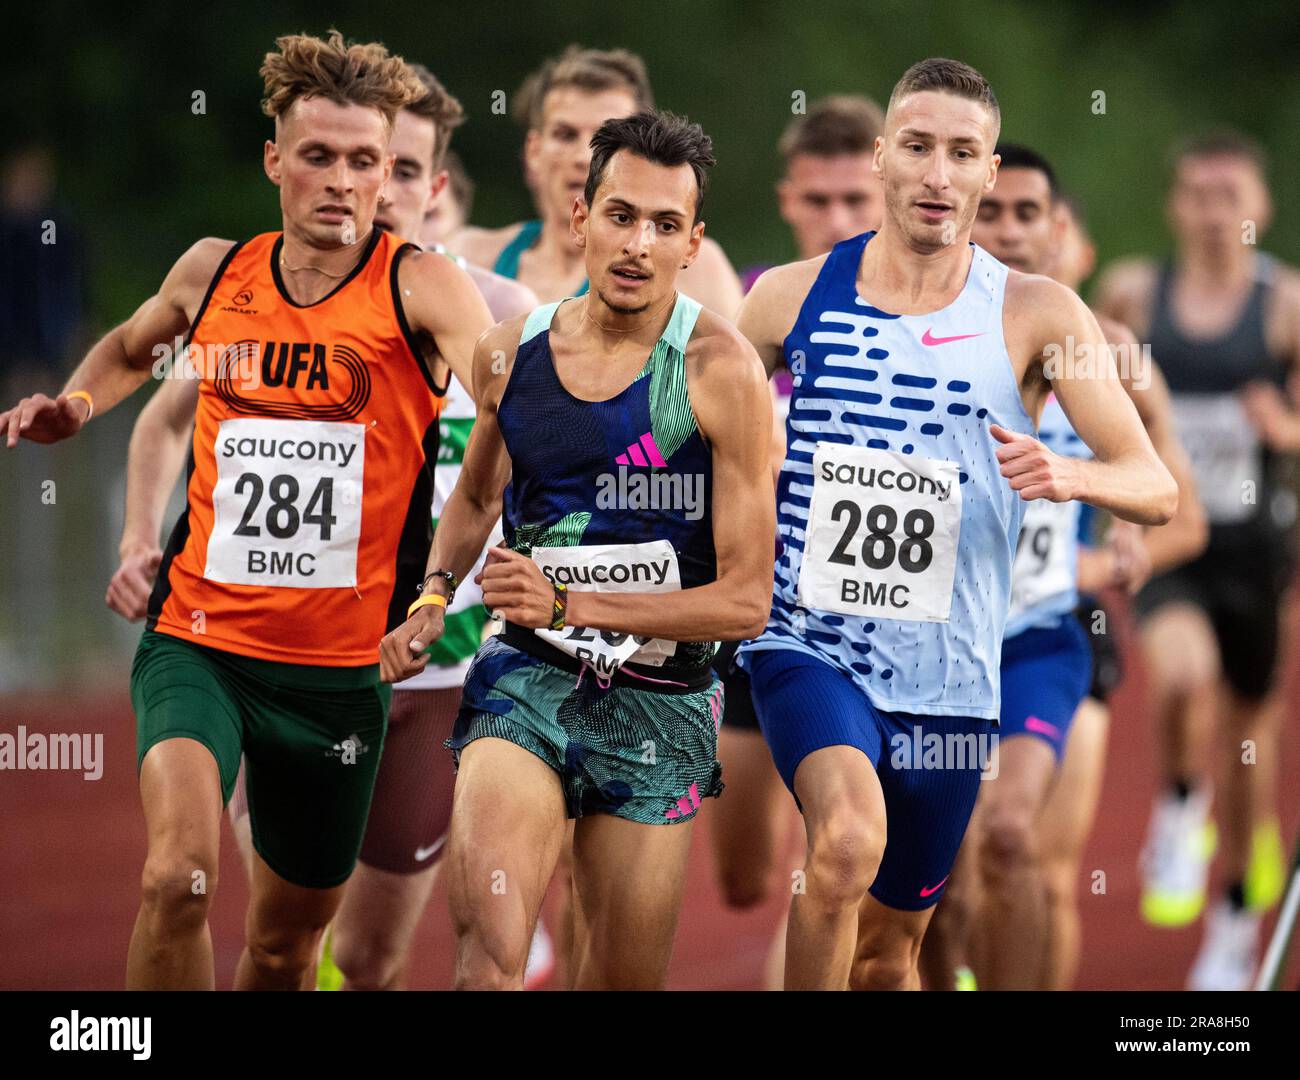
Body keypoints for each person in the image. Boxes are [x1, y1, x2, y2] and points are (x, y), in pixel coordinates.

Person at [3, 29, 493, 989]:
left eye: (368, 161)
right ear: (275, 159)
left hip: (340, 675)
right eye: (318, 156)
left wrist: (437, 592)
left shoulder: (424, 287)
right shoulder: (216, 272)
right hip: (201, 641)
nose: (344, 181)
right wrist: (75, 404)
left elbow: (510, 409)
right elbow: (127, 348)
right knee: (176, 878)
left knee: (282, 949)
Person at [734, 57, 1176, 990]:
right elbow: (699, 432)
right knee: (845, 844)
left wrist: (1069, 471)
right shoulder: (787, 297)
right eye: (921, 147)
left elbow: (1155, 486)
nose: (939, 175)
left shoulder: (1038, 313)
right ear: (884, 157)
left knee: (894, 956)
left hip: (953, 681)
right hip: (809, 645)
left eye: (963, 154)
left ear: (987, 173)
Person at [381, 110, 775, 989]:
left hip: (664, 696)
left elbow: (748, 600)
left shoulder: (720, 370)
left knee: (618, 975)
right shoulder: (507, 352)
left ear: (692, 242)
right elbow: (480, 494)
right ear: (580, 219)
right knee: (488, 942)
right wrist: (434, 595)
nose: (638, 244)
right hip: (528, 672)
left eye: (666, 225)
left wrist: (575, 603)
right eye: (622, 216)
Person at [919, 144, 1205, 990]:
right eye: (994, 210)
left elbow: (1177, 514)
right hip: (931, 643)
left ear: (1058, 229)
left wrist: (1118, 555)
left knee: (1019, 845)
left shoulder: (1110, 352)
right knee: (945, 877)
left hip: (1043, 635)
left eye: (1027, 213)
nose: (1009, 228)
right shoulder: (918, 332)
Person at [1096, 129, 1300, 989]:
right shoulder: (1135, 294)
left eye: (1232, 197)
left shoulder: (1286, 304)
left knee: (1252, 751)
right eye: (1200, 196)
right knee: (1180, 678)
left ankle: (1230, 932)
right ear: (1175, 204)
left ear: (1260, 207)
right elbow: (1092, 398)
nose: (1217, 215)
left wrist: (1282, 429)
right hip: (1171, 535)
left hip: (1257, 549)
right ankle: (1180, 808)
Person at [711, 94, 886, 992]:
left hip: (878, 633)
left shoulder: (926, 321)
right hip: (760, 624)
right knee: (745, 878)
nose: (837, 220)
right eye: (819, 201)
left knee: (840, 852)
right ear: (789, 199)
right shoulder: (761, 309)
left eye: (857, 200)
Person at [450, 45, 744, 316]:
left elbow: (749, 372)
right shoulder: (473, 258)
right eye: (565, 134)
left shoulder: (698, 269)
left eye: (606, 139)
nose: (584, 156)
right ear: (534, 151)